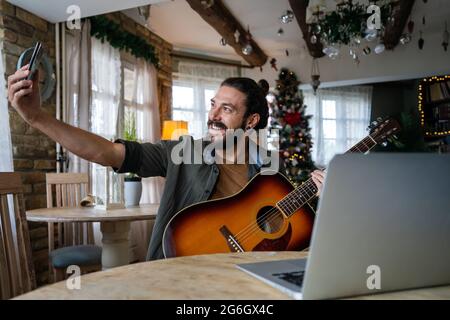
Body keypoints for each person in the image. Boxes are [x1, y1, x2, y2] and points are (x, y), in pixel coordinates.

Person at [8, 65, 326, 260]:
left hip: (242, 281)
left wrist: (323, 195)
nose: (212, 116)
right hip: (177, 270)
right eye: (213, 105)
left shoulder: (268, 171)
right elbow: (107, 153)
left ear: (251, 120)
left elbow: (288, 235)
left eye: (226, 110)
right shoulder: (181, 152)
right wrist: (37, 118)